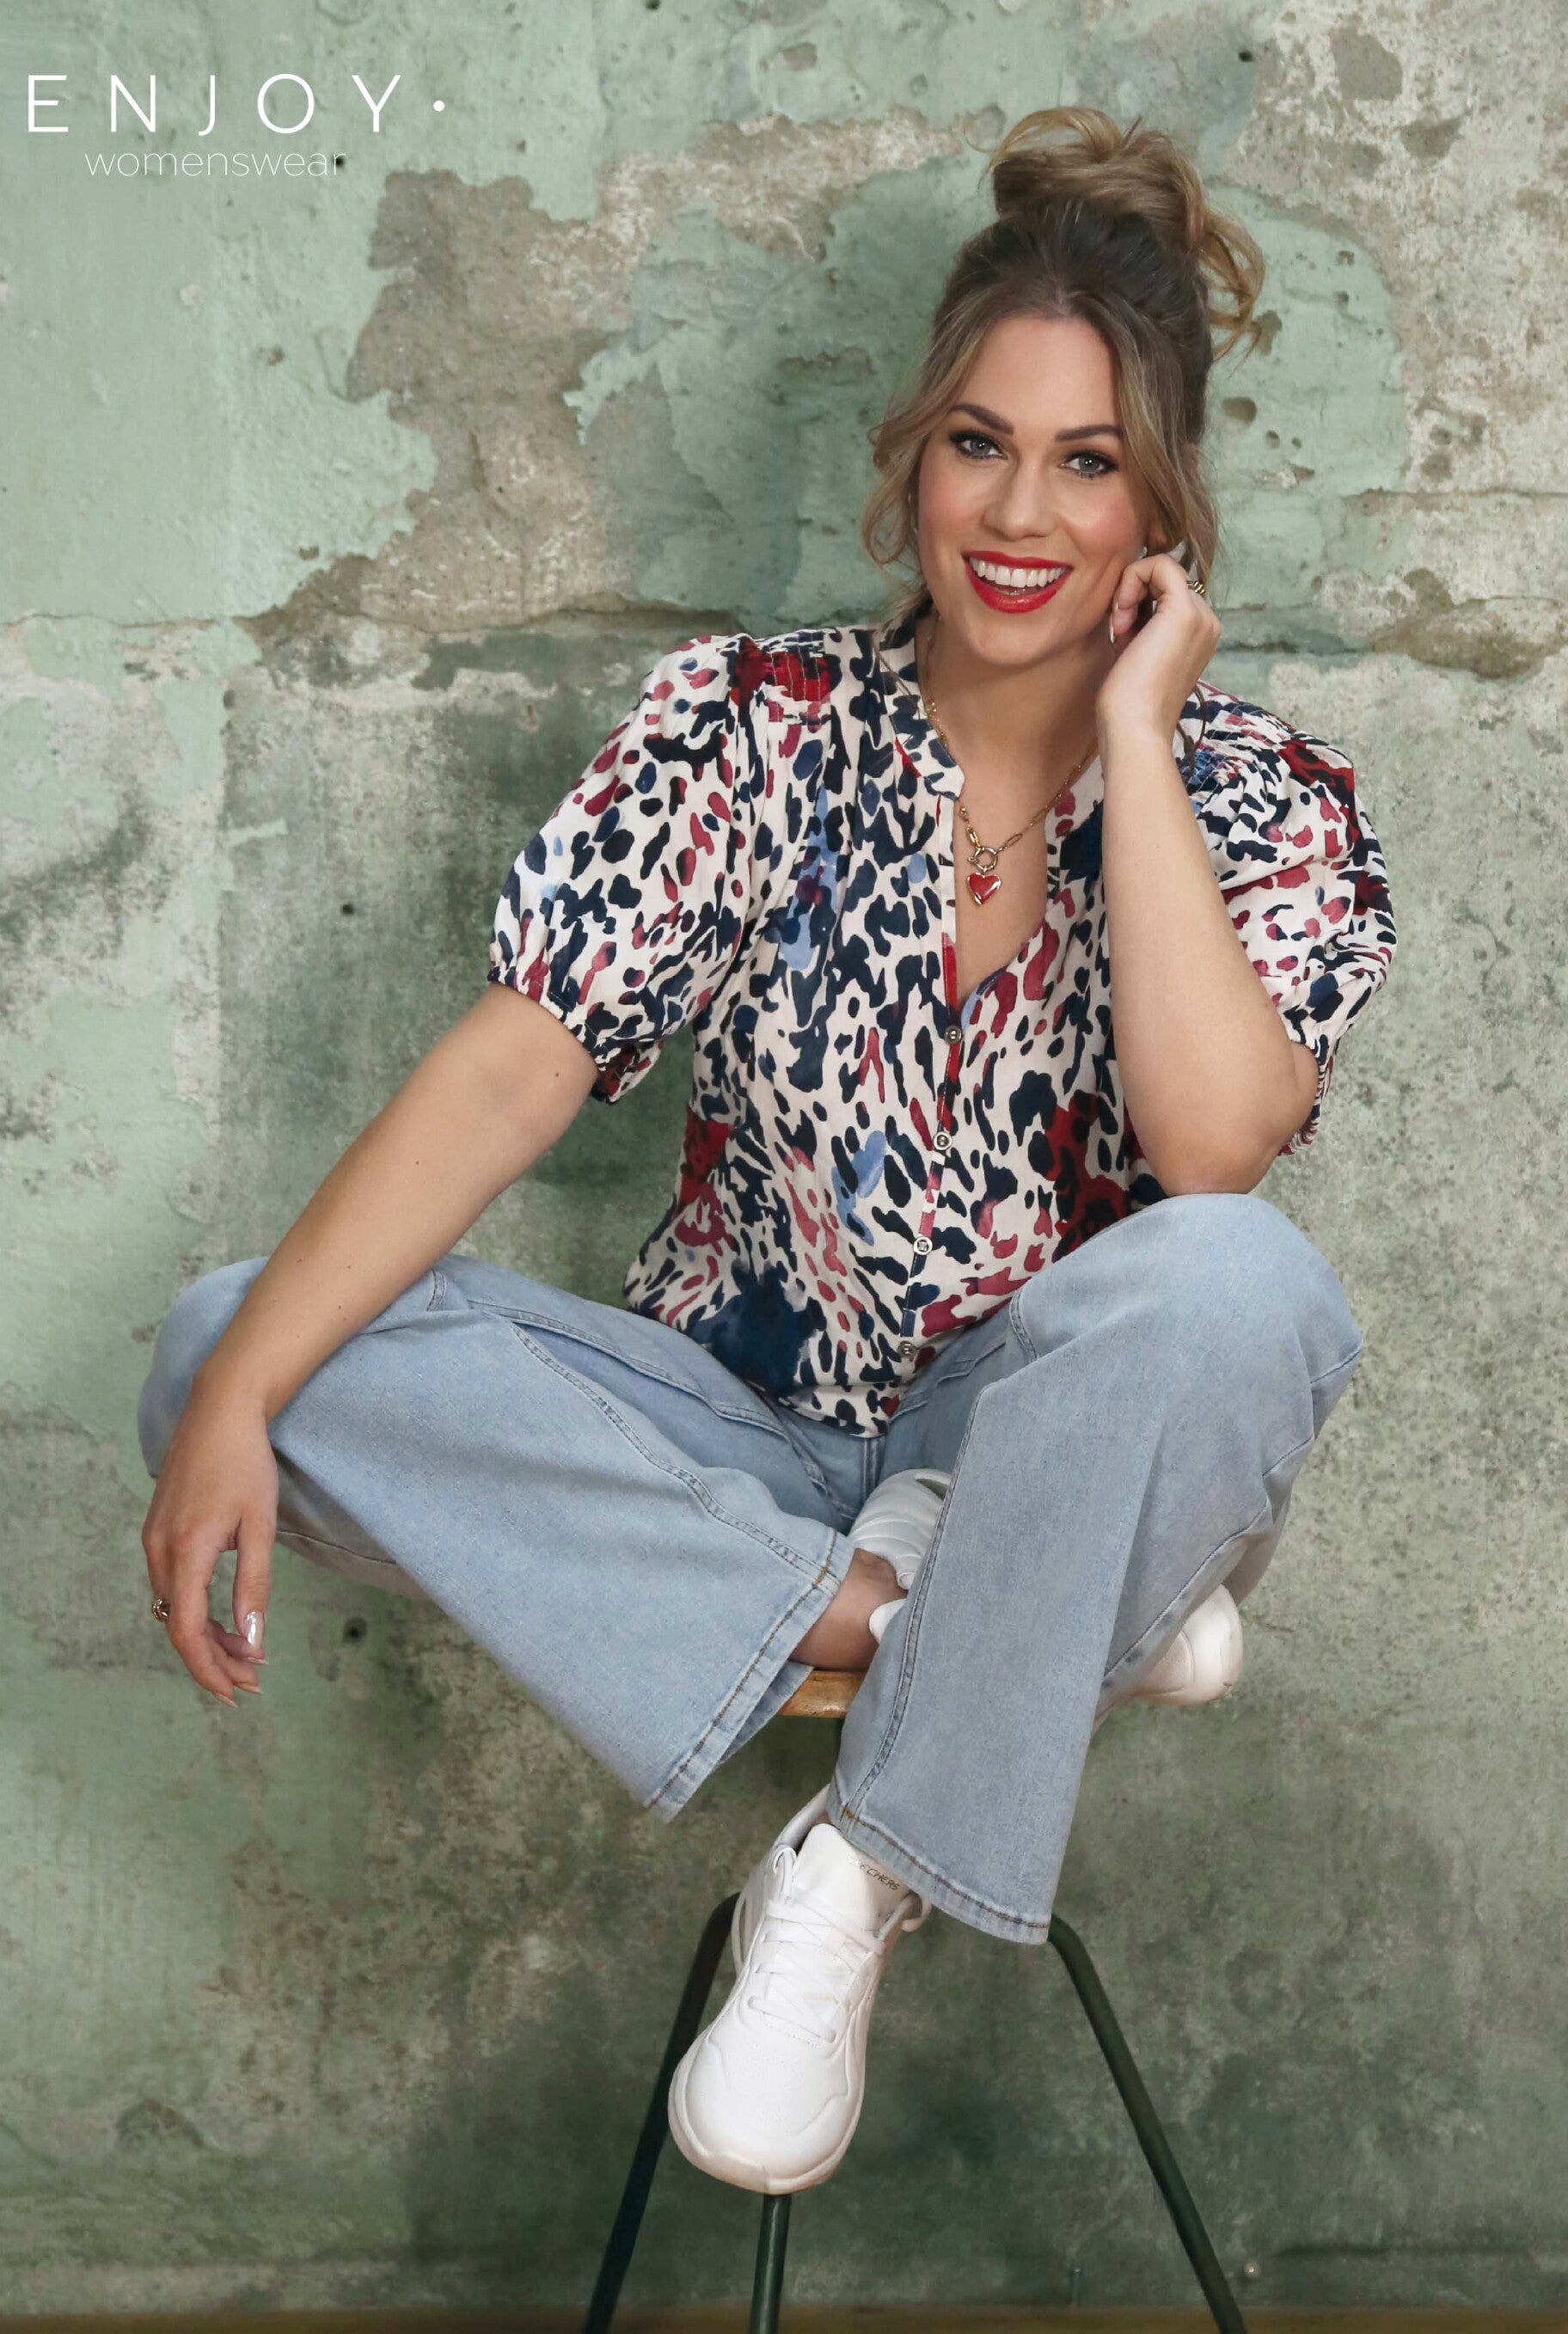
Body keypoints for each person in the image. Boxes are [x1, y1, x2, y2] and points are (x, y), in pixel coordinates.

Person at [137, 105, 1396, 2198]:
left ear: (1164, 509)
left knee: (1243, 1279)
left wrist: (1140, 738)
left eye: (1090, 464)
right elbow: (510, 1078)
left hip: (1054, 1431)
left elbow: (1210, 1145)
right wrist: (242, 1392)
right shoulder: (752, 724)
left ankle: (860, 1866)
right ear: (914, 452)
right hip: (739, 1442)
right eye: (979, 443)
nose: (1021, 511)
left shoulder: (1266, 801)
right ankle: (954, 1620)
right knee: (220, 1347)